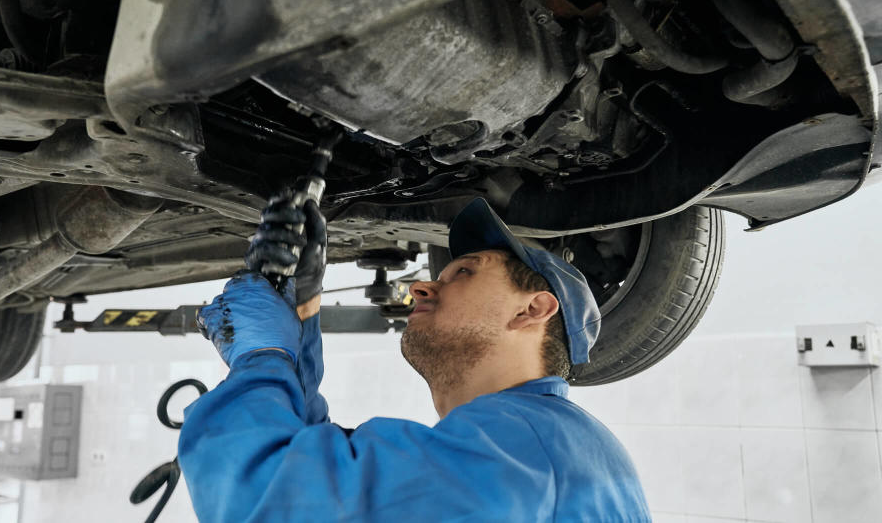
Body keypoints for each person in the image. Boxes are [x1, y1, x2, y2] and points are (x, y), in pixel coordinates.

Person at [180, 197, 651, 522]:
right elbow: (328, 473)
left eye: (464, 272)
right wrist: (297, 329)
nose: (421, 287)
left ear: (533, 310)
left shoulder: (528, 449)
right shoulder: (547, 443)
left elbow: (261, 501)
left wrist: (263, 358)